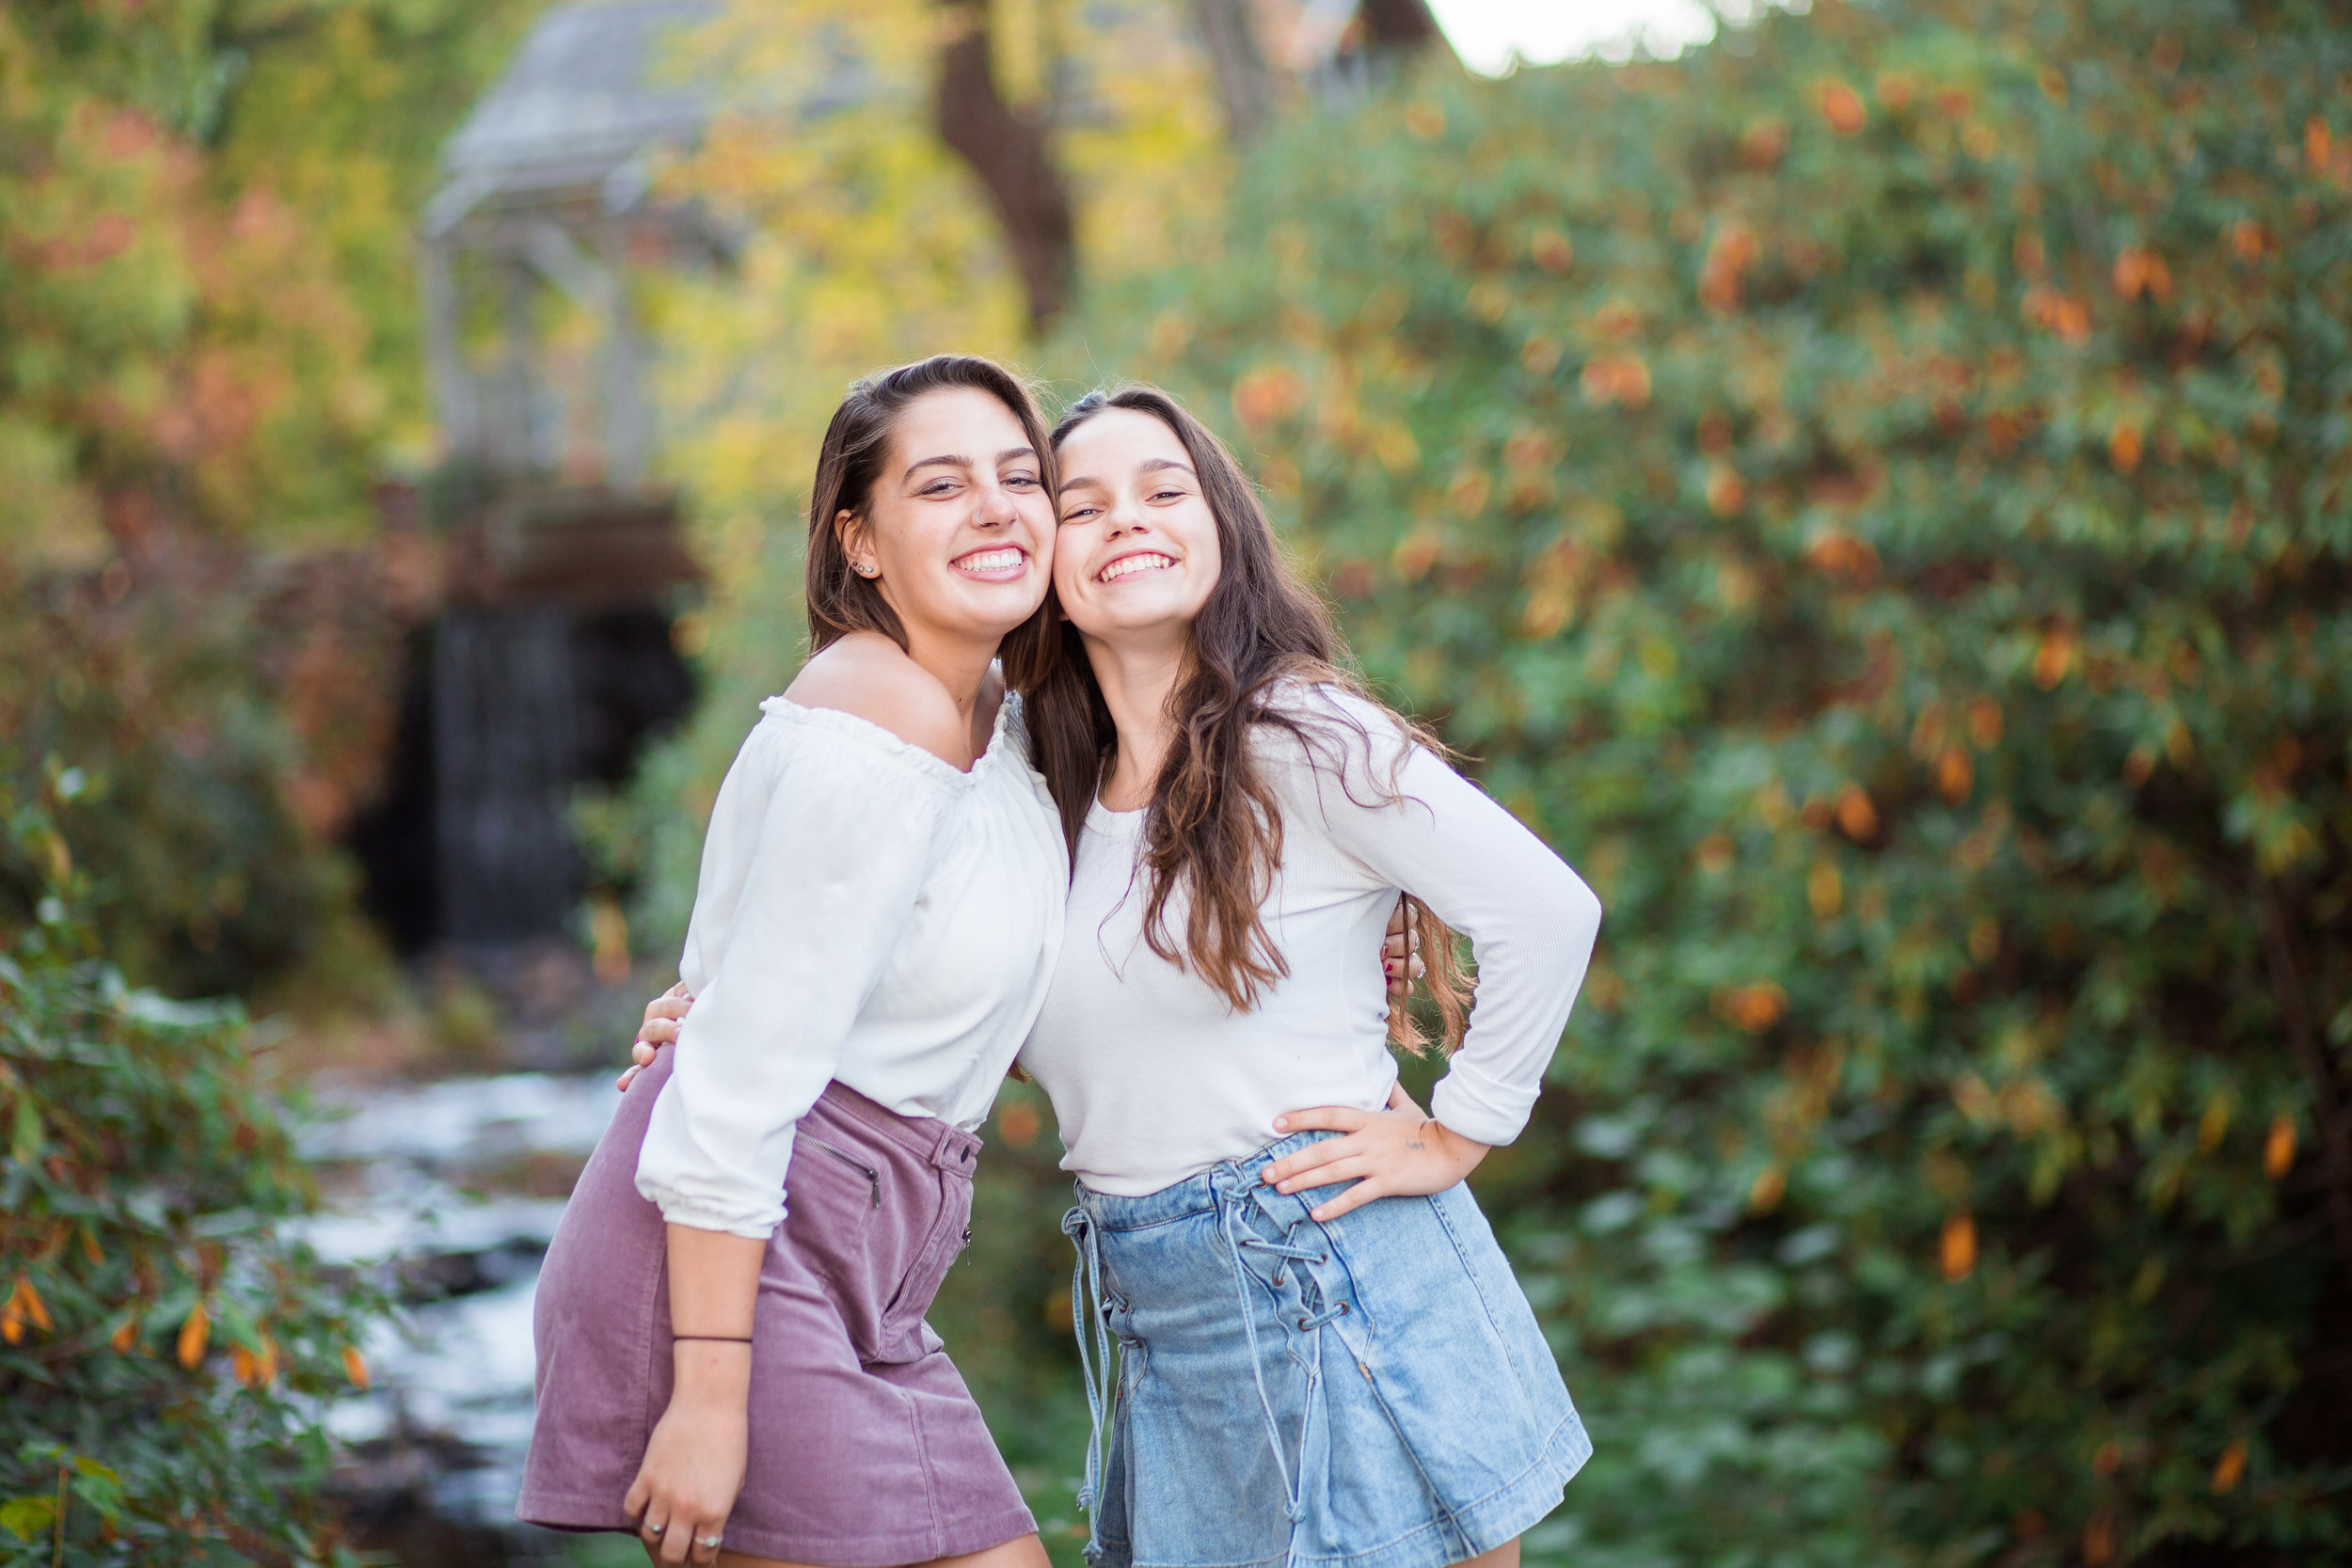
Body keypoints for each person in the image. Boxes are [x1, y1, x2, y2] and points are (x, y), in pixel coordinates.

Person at [1009, 386, 1604, 1568]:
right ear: (1043, 557)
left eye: (1163, 490)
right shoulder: (1031, 782)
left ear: (1220, 525)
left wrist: (1460, 1129)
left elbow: (1547, 909)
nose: (1127, 519)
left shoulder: (1300, 736)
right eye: (1083, 505)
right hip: (1158, 1311)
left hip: (1325, 1273)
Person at [516, 355, 1072, 1568]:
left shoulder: (1008, 729)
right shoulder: (879, 714)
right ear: (860, 542)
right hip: (738, 1249)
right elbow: (730, 1081)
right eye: (939, 485)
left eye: (1019, 475)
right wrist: (711, 1394)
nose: (993, 505)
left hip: (860, 1252)